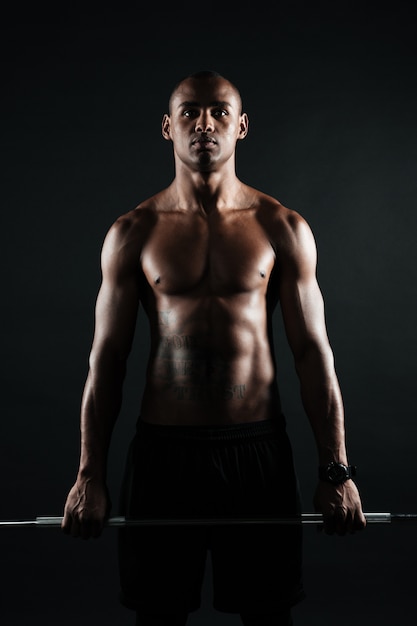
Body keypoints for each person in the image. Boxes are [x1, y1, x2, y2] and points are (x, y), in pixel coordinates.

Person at [62, 70, 366, 626]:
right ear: (167, 127)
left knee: (268, 619)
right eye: (190, 112)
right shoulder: (133, 231)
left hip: (257, 454)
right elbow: (106, 361)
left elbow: (312, 354)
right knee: (158, 619)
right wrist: (90, 474)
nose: (205, 123)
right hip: (163, 458)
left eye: (220, 111)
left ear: (242, 126)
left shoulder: (282, 226)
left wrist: (337, 469)